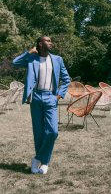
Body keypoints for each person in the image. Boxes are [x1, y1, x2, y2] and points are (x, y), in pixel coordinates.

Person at [12, 36, 70, 174]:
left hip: (51, 97)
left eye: (50, 41)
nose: (51, 43)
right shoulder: (32, 58)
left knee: (52, 131)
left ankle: (39, 158)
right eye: (48, 41)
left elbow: (66, 79)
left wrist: (58, 95)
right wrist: (29, 52)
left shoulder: (57, 59)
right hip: (36, 97)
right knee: (38, 132)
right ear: (40, 43)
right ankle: (44, 163)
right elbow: (15, 63)